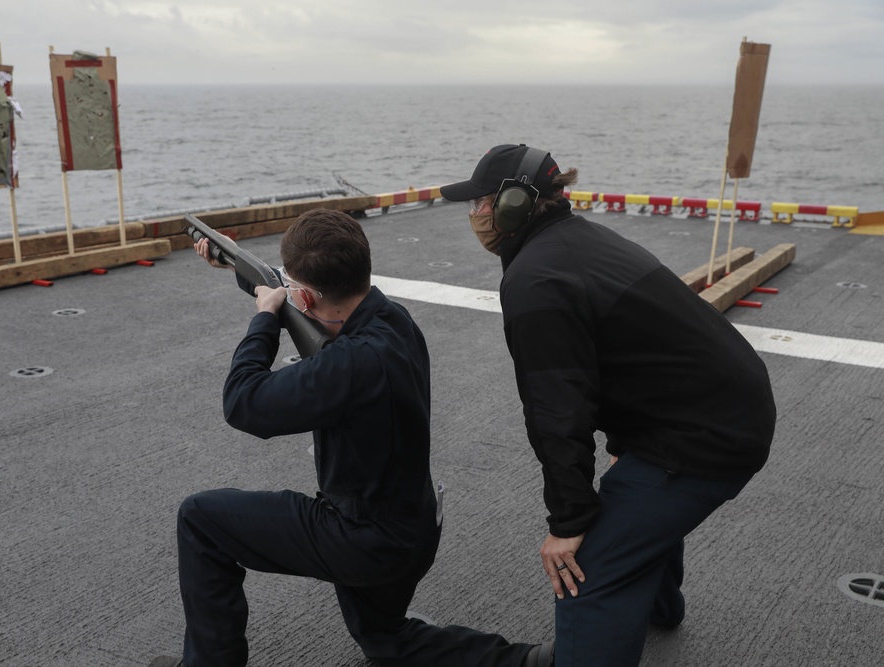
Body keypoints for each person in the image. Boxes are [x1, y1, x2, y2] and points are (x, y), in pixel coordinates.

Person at [152, 208, 552, 667]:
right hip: (413, 526)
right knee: (386, 641)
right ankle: (532, 661)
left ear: (304, 295)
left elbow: (243, 403)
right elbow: (308, 307)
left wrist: (264, 318)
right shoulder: (392, 319)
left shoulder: (349, 364)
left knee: (201, 519)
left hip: (362, 539)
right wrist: (238, 268)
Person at [440, 145, 776, 667]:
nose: (475, 215)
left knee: (588, 569)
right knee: (635, 503)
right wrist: (626, 445)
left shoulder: (536, 281)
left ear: (513, 204)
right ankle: (661, 608)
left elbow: (557, 411)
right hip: (721, 403)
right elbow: (632, 351)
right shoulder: (579, 240)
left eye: (482, 202)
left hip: (706, 434)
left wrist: (569, 524)